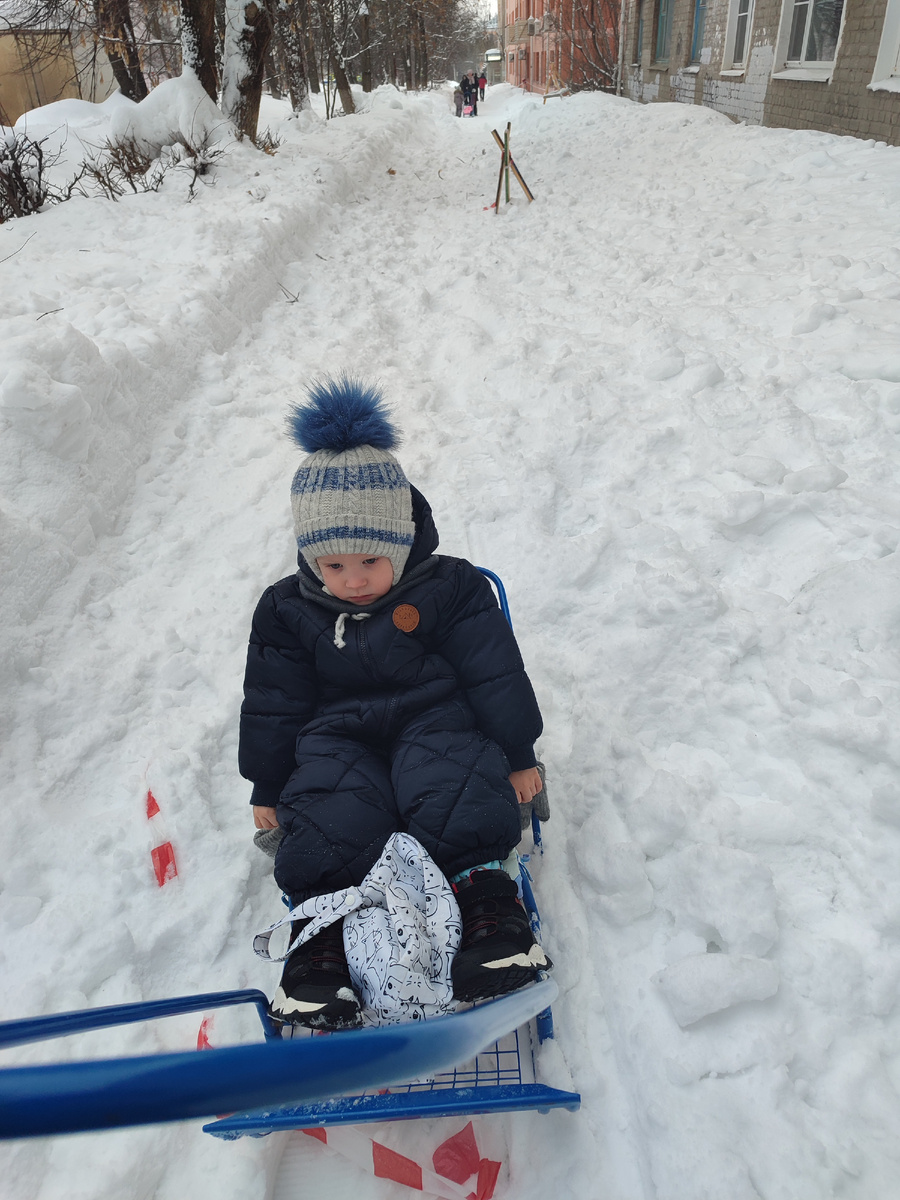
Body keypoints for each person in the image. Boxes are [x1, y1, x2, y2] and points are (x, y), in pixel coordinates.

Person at [240, 376, 550, 1030]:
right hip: (335, 734)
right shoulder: (286, 609)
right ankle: (318, 955)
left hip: (433, 716)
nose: (352, 581)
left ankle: (492, 918)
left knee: (453, 782)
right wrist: (269, 781)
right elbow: (274, 702)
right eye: (332, 565)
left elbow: (493, 674)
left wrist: (518, 753)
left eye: (369, 561)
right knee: (328, 809)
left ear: (403, 540)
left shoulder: (452, 588)